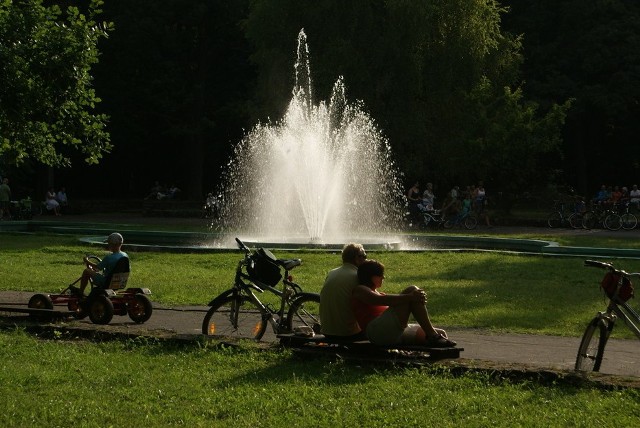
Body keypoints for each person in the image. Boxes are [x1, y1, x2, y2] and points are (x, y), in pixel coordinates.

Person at [352, 259, 455, 347]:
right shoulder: (360, 290)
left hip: (394, 332)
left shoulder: (380, 293)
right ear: (372, 277)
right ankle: (432, 335)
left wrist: (414, 298)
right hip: (376, 332)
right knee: (411, 290)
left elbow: (388, 299)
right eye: (381, 275)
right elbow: (377, 300)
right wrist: (411, 297)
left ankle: (432, 336)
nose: (383, 278)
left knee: (442, 333)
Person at [319, 243, 368, 339]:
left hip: (327, 331)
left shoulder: (332, 273)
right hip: (348, 333)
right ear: (357, 258)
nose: (366, 259)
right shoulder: (358, 276)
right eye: (364, 256)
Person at [73, 232, 129, 297]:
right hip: (120, 282)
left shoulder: (109, 257)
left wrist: (87, 261)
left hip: (107, 282)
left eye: (109, 244)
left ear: (112, 244)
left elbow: (98, 267)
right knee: (94, 272)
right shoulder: (125, 255)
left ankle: (81, 292)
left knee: (87, 271)